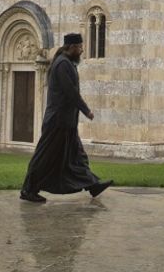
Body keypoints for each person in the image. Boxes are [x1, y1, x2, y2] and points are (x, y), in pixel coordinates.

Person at [20, 33, 113, 203]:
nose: (82, 50)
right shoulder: (62, 64)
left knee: (77, 157)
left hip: (66, 122)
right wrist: (86, 110)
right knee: (44, 157)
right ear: (71, 48)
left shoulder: (67, 63)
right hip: (57, 122)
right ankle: (28, 189)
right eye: (79, 47)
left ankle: (93, 185)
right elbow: (70, 92)